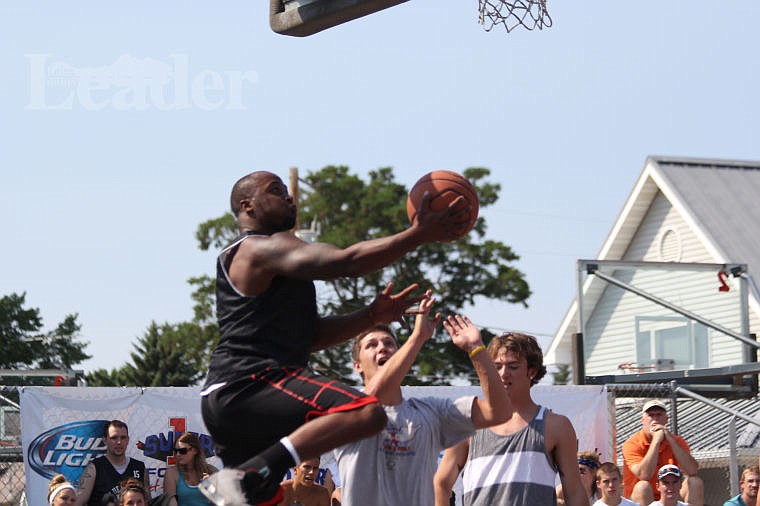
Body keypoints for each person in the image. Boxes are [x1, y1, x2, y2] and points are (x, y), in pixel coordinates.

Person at [199, 171, 470, 505]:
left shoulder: (269, 259)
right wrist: (417, 234)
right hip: (251, 383)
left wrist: (370, 316)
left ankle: (250, 477)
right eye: (275, 191)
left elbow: (309, 337)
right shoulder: (257, 248)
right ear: (247, 206)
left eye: (287, 191)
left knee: (263, 500)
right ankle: (250, 474)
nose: (289, 197)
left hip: (230, 399)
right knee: (365, 412)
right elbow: (347, 262)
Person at [332, 295, 511, 506]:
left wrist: (476, 349)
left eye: (389, 343)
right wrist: (417, 337)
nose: (382, 347)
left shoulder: (429, 413)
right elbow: (374, 395)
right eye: (371, 345)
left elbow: (498, 412)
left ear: (399, 353)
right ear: (357, 366)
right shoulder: (346, 410)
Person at [433, 332, 586, 506]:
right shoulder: (468, 424)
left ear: (532, 371)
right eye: (496, 366)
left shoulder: (556, 426)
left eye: (513, 366)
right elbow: (441, 483)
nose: (504, 374)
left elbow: (574, 492)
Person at [621, 400, 703, 506]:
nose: (655, 419)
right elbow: (644, 475)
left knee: (695, 482)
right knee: (643, 486)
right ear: (643, 420)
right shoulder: (632, 443)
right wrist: (656, 441)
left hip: (670, 495)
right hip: (641, 499)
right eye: (651, 415)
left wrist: (670, 439)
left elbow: (692, 470)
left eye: (659, 415)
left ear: (666, 420)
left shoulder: (677, 441)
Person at [76, 420, 151, 506]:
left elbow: (147, 502)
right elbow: (79, 501)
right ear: (105, 440)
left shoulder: (139, 467)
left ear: (128, 440)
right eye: (114, 438)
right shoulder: (94, 468)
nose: (119, 442)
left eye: (123, 438)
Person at [163, 432, 218, 505]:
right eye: (176, 451)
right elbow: (170, 503)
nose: (178, 455)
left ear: (195, 450)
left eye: (182, 451)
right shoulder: (172, 473)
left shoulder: (211, 471)